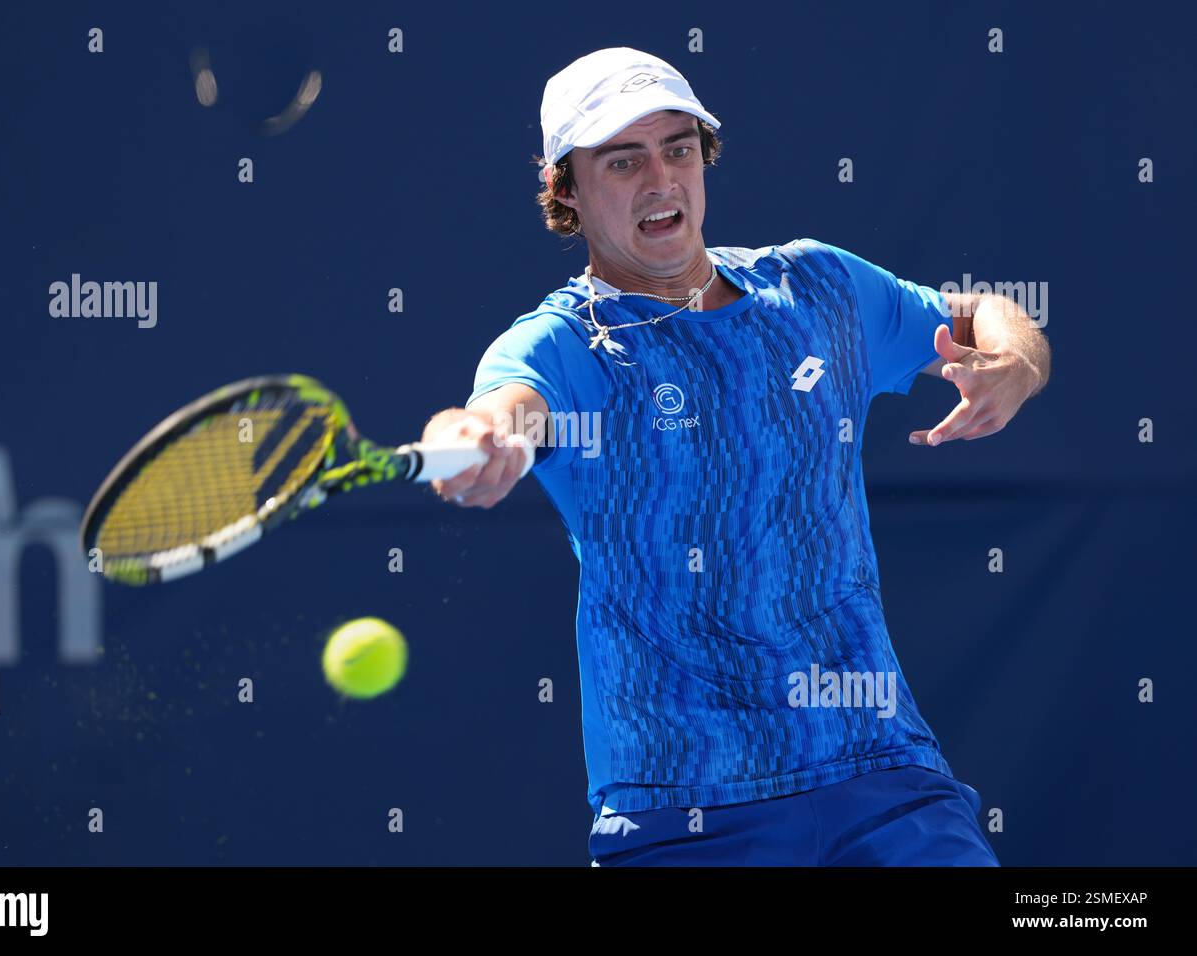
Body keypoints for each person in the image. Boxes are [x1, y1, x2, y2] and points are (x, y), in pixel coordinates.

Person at [420, 48, 1049, 865]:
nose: (661, 181)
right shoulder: (564, 345)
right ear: (565, 188)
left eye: (678, 149)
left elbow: (982, 314)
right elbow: (502, 407)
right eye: (622, 160)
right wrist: (476, 438)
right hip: (679, 809)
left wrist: (1015, 364)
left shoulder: (820, 290)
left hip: (882, 777)